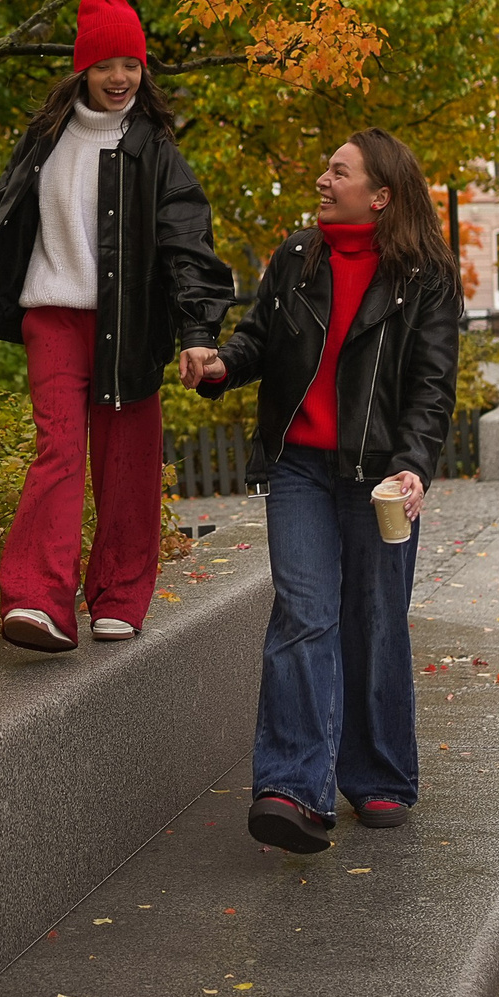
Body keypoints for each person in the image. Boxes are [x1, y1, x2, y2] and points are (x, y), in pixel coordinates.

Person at [0, 0, 234, 653]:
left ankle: (120, 595)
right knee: (59, 451)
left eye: (130, 64)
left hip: (129, 323)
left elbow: (188, 238)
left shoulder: (153, 147)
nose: (120, 77)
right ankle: (38, 600)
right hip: (54, 317)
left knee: (128, 461)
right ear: (82, 70)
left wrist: (197, 330)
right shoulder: (45, 138)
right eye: (105, 65)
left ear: (142, 69)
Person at [184, 129, 461, 854]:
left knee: (374, 617)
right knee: (304, 614)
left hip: (380, 476)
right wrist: (220, 366)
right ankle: (292, 790)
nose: (322, 179)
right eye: (325, 169)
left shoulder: (426, 272)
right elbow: (257, 342)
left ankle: (381, 774)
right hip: (299, 467)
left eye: (338, 171)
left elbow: (432, 385)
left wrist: (414, 465)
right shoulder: (296, 257)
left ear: (380, 194)